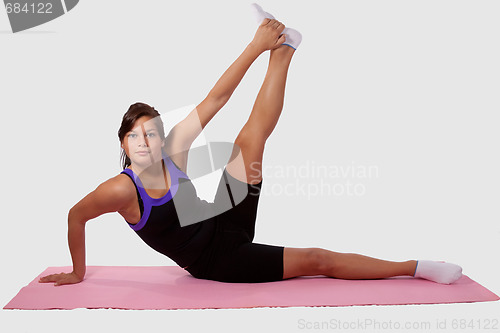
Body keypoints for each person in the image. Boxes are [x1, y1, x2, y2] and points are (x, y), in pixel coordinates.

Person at [39, 4, 462, 286]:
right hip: (218, 260)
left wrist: (257, 47)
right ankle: (417, 267)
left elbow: (216, 99)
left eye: (152, 132)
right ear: (123, 144)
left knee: (248, 138)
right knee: (318, 260)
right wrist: (78, 272)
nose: (145, 142)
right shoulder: (120, 189)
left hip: (222, 216)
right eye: (135, 136)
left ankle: (284, 50)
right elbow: (76, 216)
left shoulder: (174, 148)